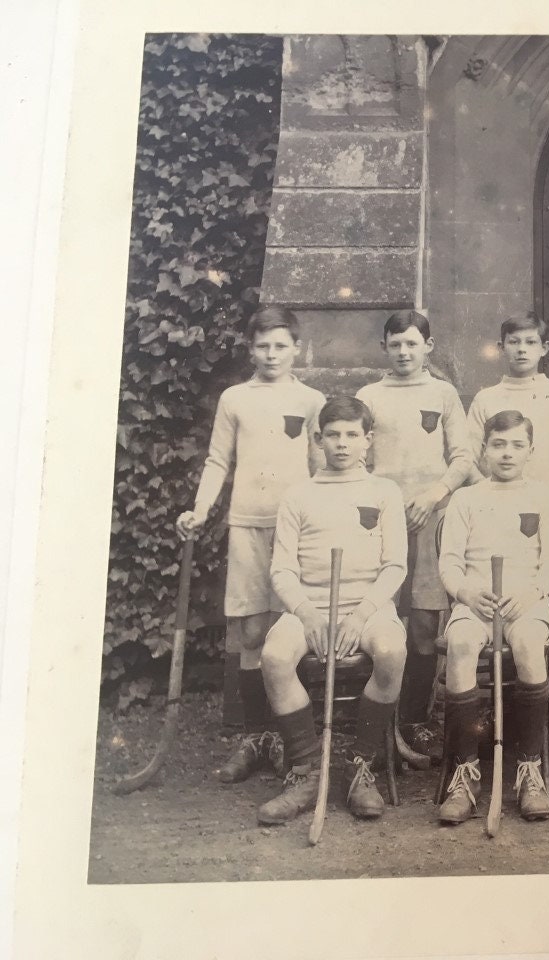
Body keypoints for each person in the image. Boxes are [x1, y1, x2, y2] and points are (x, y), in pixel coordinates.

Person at [176, 305, 324, 785]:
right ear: (250, 348)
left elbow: (323, 469)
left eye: (280, 345)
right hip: (246, 524)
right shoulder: (235, 398)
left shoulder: (310, 400)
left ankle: (290, 737)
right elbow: (219, 460)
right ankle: (256, 737)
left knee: (294, 630)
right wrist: (200, 510)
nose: (271, 354)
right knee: (252, 634)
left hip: (295, 531)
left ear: (296, 348)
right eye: (262, 345)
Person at [256, 396, 409, 824]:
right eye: (333, 435)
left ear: (368, 440)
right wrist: (306, 614)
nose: (342, 444)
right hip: (311, 606)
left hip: (368, 608)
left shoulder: (384, 491)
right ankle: (305, 771)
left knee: (393, 653)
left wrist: (360, 616)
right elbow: (282, 570)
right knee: (273, 657)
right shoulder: (298, 495)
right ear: (318, 438)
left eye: (352, 435)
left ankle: (361, 764)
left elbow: (395, 566)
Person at [435, 410, 549, 824]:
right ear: (484, 448)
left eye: (516, 445)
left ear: (531, 450)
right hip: (476, 602)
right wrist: (467, 592)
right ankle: (465, 770)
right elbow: (450, 563)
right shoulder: (467, 498)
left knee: (528, 644)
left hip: (526, 602)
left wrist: (529, 593)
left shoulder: (545, 496)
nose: (507, 453)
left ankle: (529, 769)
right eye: (498, 444)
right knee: (459, 646)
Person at [355, 310, 473, 764]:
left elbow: (462, 457)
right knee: (378, 617)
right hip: (379, 523)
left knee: (424, 624)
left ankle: (414, 722)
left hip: (430, 519)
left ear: (428, 347)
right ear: (384, 347)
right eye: (395, 344)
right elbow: (359, 459)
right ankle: (379, 723)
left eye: (412, 344)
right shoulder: (369, 395)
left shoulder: (443, 394)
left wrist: (434, 495)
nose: (404, 352)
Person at [466, 311, 549, 747]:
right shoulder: (485, 398)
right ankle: (498, 711)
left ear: (544, 348)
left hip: (541, 512)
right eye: (513, 341)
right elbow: (471, 457)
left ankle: (548, 710)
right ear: (501, 347)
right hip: (497, 511)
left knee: (540, 610)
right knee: (498, 608)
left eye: (530, 341)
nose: (521, 349)